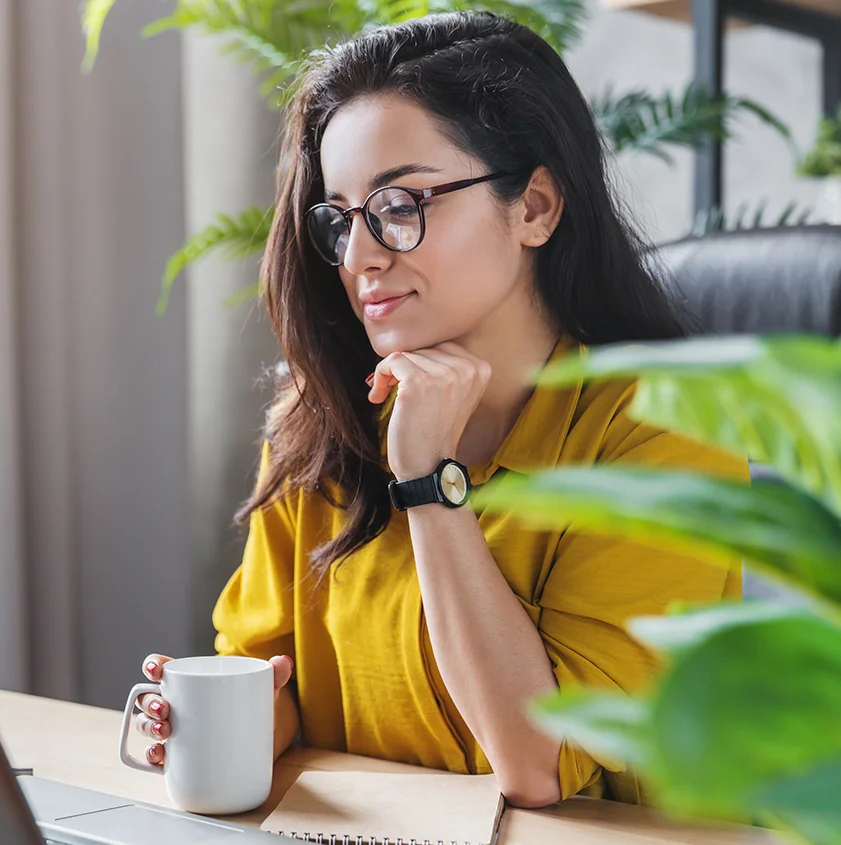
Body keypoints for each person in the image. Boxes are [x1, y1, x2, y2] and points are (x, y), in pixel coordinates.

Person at [131, 11, 743, 808]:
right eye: (341, 216)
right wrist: (203, 720)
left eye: (400, 203)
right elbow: (269, 671)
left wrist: (426, 477)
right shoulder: (314, 422)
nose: (359, 256)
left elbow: (537, 763)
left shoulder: (665, 430)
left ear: (534, 207)